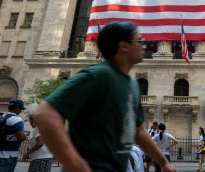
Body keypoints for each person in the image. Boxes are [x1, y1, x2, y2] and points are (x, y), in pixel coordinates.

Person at [33, 21, 176, 172]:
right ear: (124, 46)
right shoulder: (98, 75)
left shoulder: (132, 84)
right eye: (139, 41)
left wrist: (163, 162)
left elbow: (138, 131)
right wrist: (73, 162)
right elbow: (44, 113)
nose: (145, 45)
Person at [0, 99, 26, 172]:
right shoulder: (16, 119)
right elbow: (21, 137)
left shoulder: (1, 117)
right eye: (21, 109)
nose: (20, 111)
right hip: (9, 154)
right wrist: (24, 136)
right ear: (17, 108)